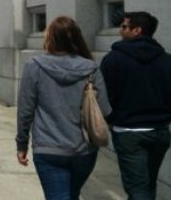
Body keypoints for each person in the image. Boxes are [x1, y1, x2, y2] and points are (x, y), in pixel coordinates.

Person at [16, 16, 111, 200]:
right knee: (71, 195)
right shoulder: (91, 68)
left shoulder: (34, 66)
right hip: (84, 150)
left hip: (48, 148)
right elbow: (105, 109)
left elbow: (25, 111)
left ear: (50, 38)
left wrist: (21, 144)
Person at [100, 11, 171, 200]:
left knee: (139, 189)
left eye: (125, 26)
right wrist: (162, 113)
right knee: (147, 185)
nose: (120, 30)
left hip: (128, 133)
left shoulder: (113, 60)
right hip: (159, 132)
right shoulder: (169, 62)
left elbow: (103, 98)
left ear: (137, 30)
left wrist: (112, 119)